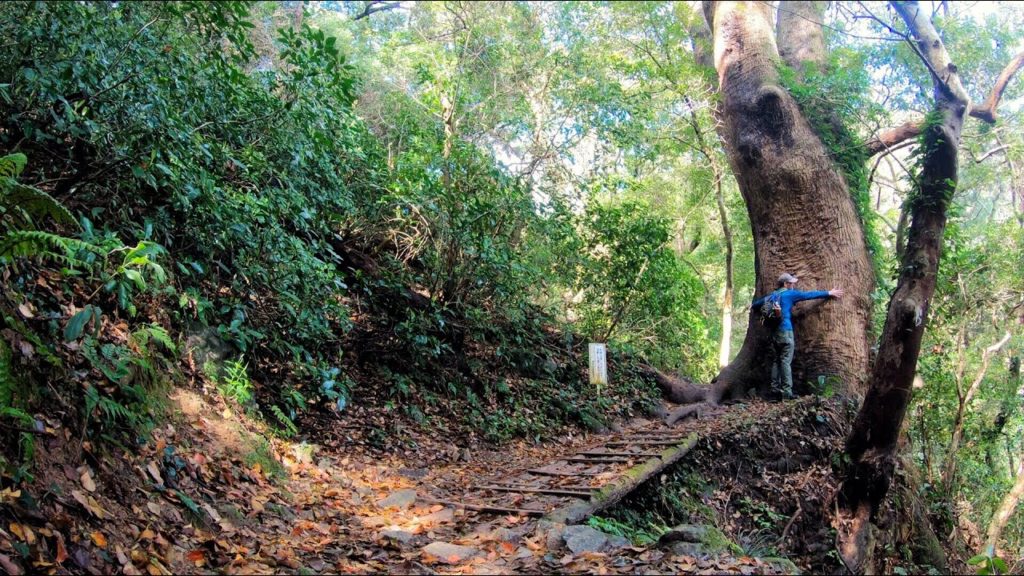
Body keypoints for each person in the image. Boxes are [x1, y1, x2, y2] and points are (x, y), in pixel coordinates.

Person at [751, 272, 843, 400]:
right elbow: (808, 295)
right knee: (785, 361)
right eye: (792, 283)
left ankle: (774, 390)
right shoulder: (790, 294)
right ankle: (787, 393)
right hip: (786, 332)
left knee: (777, 361)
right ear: (785, 284)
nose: (793, 285)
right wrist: (828, 293)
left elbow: (755, 305)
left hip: (774, 333)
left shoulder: (772, 296)